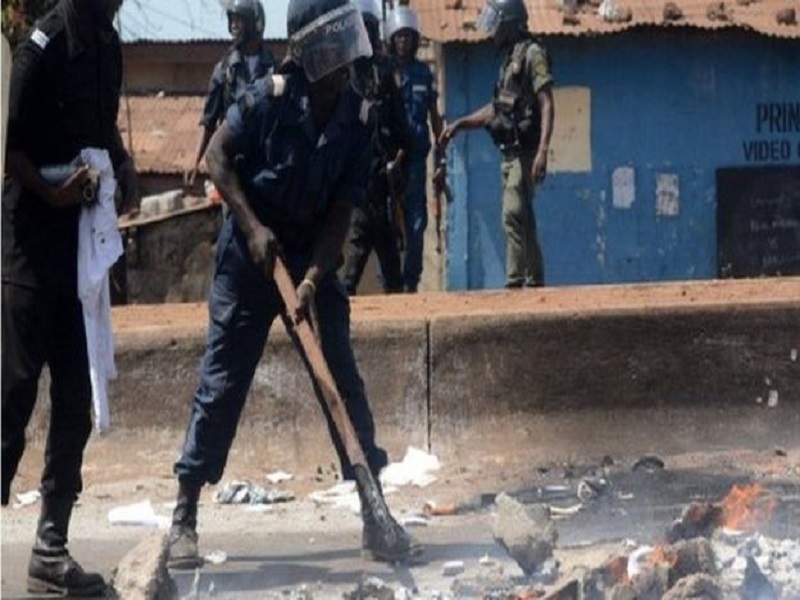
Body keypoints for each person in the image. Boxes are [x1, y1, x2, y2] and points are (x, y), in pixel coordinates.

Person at [166, 0, 418, 569]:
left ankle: (373, 509)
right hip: (251, 252)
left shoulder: (355, 115)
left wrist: (311, 278)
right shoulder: (267, 97)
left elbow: (343, 211)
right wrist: (253, 229)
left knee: (342, 379)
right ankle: (184, 516)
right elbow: (216, 157)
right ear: (310, 50)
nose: (347, 55)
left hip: (308, 258)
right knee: (222, 380)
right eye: (335, 44)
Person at [1, 0, 136, 595]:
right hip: (29, 248)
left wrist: (124, 168)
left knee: (75, 401)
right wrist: (53, 194)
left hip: (79, 251)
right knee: (12, 399)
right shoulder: (40, 49)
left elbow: (102, 129)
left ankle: (49, 550)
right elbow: (11, 154)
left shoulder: (108, 46)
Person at [439, 0, 554, 288]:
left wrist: (543, 151)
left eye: (497, 24)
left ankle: (515, 281)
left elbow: (547, 103)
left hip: (526, 152)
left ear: (511, 23)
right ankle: (535, 279)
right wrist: (460, 124)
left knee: (512, 214)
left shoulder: (532, 54)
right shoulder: (507, 60)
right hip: (508, 151)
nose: (493, 32)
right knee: (523, 215)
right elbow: (497, 109)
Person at [341, 0, 412, 295]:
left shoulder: (385, 71)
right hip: (355, 174)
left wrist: (399, 165)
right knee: (357, 249)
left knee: (388, 256)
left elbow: (401, 128)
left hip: (382, 175)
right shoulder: (345, 73)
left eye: (369, 29)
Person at [184, 0, 275, 187]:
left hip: (266, 168)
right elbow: (208, 121)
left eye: (239, 19)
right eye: (231, 19)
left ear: (254, 23)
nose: (234, 25)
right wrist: (195, 162)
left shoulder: (274, 68)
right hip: (233, 168)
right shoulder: (224, 70)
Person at [385, 5, 443, 293]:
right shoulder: (384, 72)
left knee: (417, 225)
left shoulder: (423, 73)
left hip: (417, 162)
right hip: (390, 164)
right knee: (388, 225)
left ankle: (411, 282)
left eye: (408, 36)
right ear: (391, 39)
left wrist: (441, 153)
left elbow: (434, 116)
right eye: (398, 37)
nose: (403, 42)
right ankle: (391, 283)